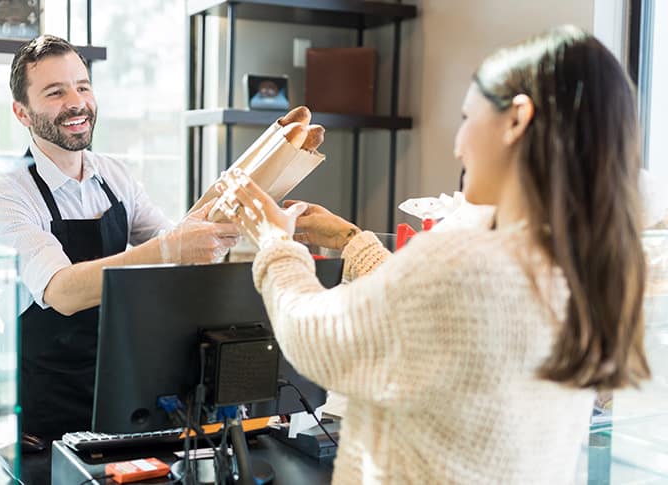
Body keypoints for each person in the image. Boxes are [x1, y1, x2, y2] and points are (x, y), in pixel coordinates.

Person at [214, 25, 649, 483]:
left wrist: (274, 242)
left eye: (466, 118)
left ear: (517, 119)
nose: (459, 144)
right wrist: (350, 238)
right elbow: (429, 319)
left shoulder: (470, 259)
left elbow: (317, 337)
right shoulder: (580, 265)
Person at [0, 35, 238, 447]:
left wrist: (229, 217)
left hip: (125, 398)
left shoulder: (115, 176)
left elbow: (177, 250)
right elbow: (61, 290)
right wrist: (171, 248)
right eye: (55, 92)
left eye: (83, 86)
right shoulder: (7, 195)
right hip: (47, 422)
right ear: (21, 113)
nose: (76, 103)